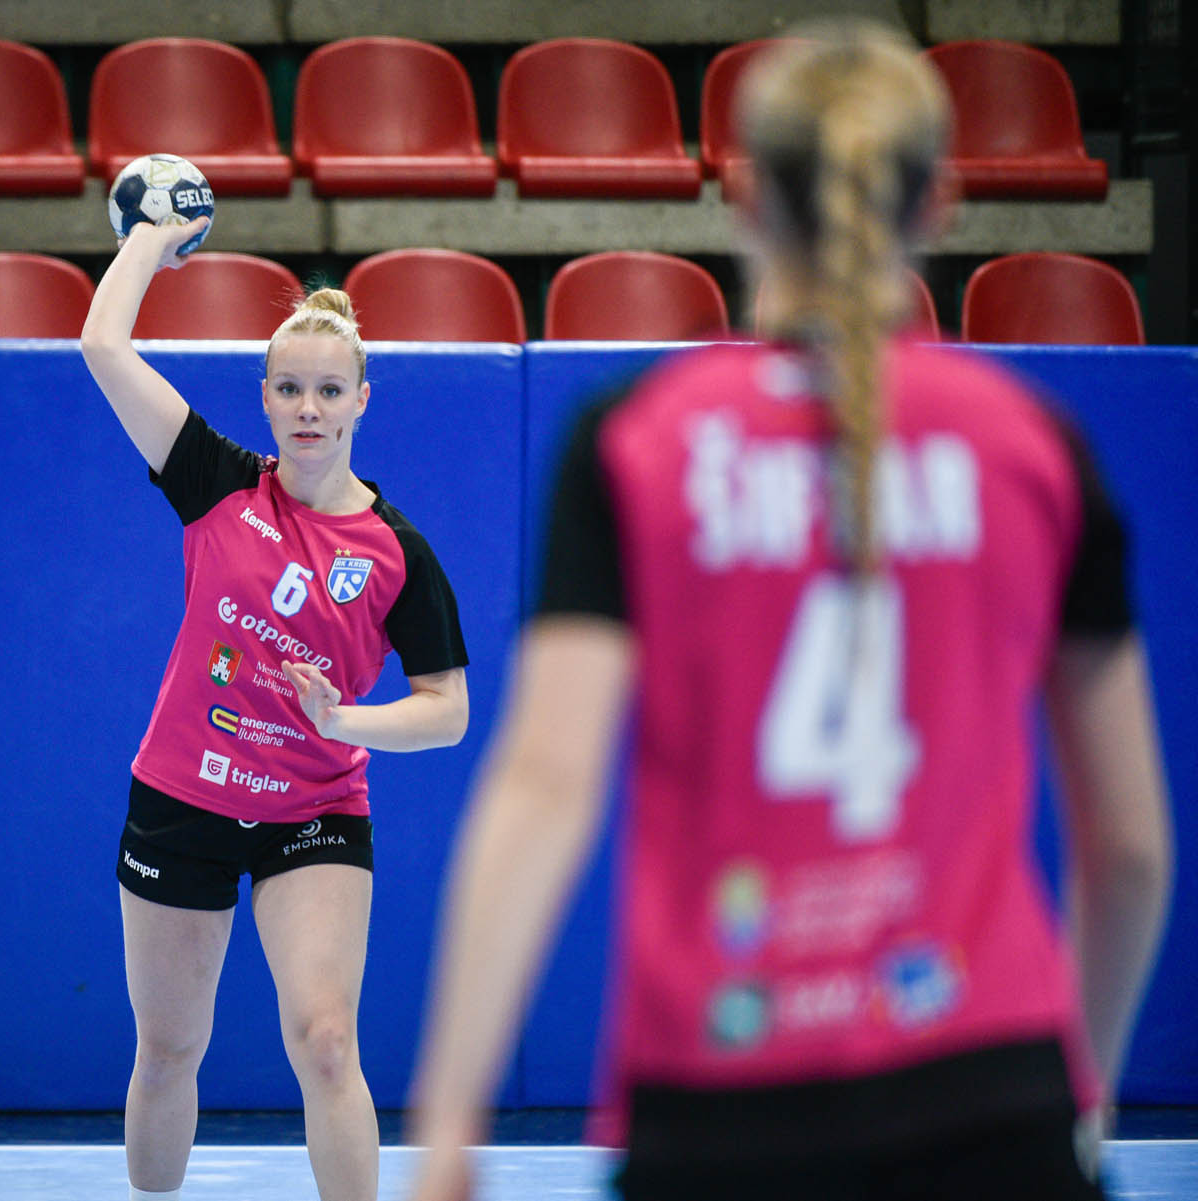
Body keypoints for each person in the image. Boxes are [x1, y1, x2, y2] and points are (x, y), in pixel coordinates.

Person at [405, 19, 1171, 1201]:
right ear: (940, 203)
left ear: (747, 195)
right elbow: (1128, 849)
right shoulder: (1035, 447)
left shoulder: (639, 441)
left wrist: (450, 1122)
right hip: (992, 1089)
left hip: (724, 1093)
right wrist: (1081, 1090)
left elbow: (546, 783)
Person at [81, 217, 471, 1201]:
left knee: (327, 1040)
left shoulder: (398, 553)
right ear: (264, 395)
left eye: (329, 390)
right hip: (183, 800)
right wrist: (152, 240)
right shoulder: (216, 482)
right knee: (170, 1049)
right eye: (290, 388)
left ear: (361, 400)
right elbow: (101, 346)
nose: (308, 408)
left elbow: (448, 711)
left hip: (315, 810)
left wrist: (345, 723)